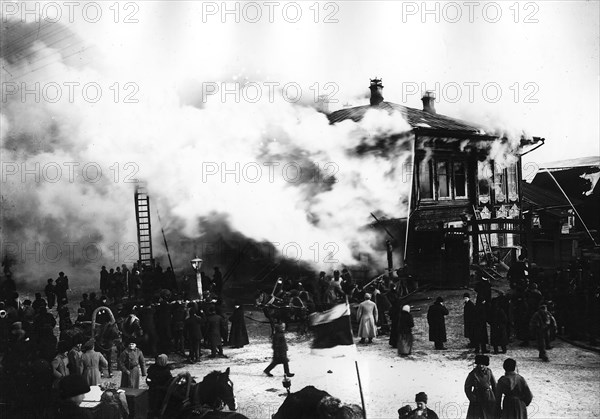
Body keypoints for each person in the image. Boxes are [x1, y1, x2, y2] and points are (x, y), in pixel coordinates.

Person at [464, 355, 496, 419]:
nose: (481, 366)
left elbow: (494, 385)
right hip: (477, 397)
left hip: (488, 397)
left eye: (483, 364)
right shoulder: (473, 374)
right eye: (479, 364)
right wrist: (472, 398)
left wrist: (495, 397)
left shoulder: (489, 371)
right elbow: (467, 387)